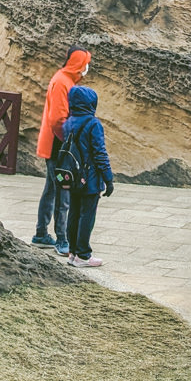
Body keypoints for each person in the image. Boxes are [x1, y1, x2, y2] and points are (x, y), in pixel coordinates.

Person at [32, 45, 91, 255]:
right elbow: (58, 119)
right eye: (85, 64)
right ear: (78, 64)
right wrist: (69, 140)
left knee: (51, 190)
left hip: (54, 144)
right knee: (62, 193)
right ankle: (62, 239)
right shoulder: (62, 82)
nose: (87, 69)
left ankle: (41, 234)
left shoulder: (63, 79)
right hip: (58, 147)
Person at [61, 84, 113, 268]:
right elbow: (99, 153)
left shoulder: (68, 122)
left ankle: (73, 252)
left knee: (73, 213)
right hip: (90, 178)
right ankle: (83, 255)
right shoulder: (93, 124)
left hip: (71, 177)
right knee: (87, 215)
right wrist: (108, 178)